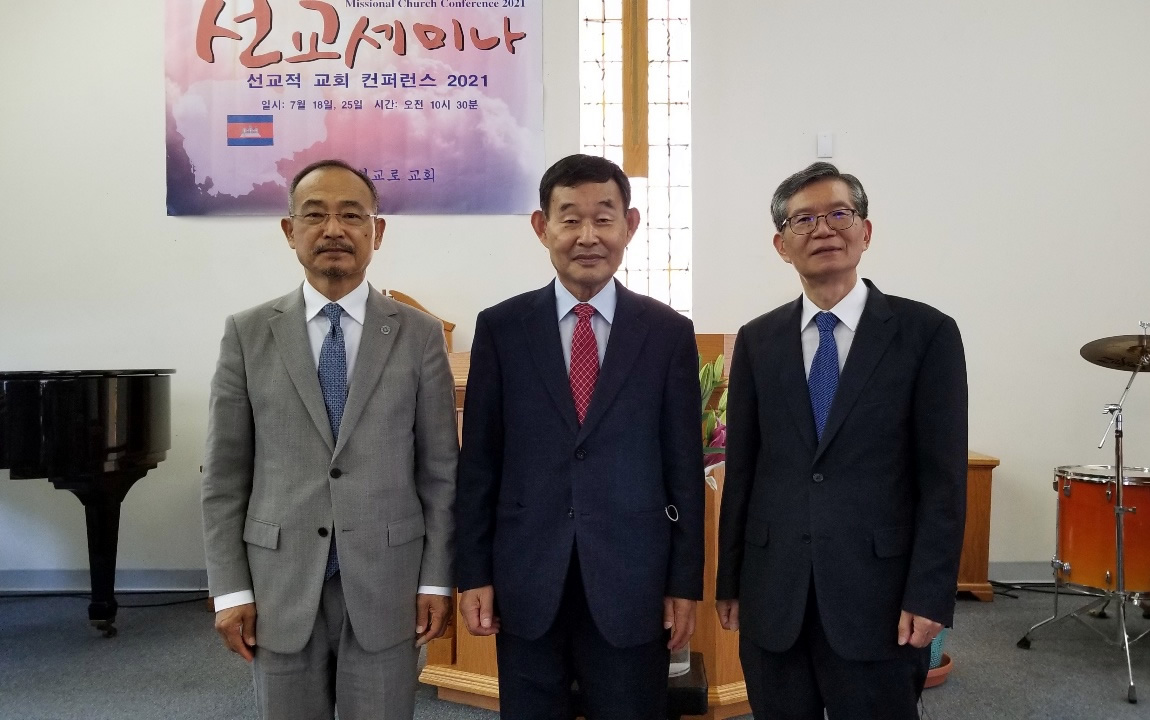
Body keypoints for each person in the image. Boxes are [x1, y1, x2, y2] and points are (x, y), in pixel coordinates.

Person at [201, 159, 458, 720]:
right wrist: (232, 590)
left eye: (351, 215)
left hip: (388, 583)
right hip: (279, 585)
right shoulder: (247, 333)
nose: (333, 229)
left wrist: (438, 580)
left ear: (377, 231)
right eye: (315, 215)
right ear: (289, 230)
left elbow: (440, 474)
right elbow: (224, 478)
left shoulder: (419, 336)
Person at [454, 153, 704, 719]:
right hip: (526, 578)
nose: (587, 236)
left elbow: (684, 468)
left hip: (633, 580)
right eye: (570, 219)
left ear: (629, 226)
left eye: (604, 218)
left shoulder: (667, 333)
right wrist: (474, 573)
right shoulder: (501, 328)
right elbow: (480, 464)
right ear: (542, 227)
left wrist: (684, 582)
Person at [715, 162, 968, 719]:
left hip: (879, 597)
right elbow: (745, 469)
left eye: (838, 214)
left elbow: (943, 481)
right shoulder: (757, 340)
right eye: (803, 220)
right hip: (775, 591)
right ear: (782, 245)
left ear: (866, 231)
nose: (823, 229)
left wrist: (930, 594)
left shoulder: (927, 334)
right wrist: (729, 580)